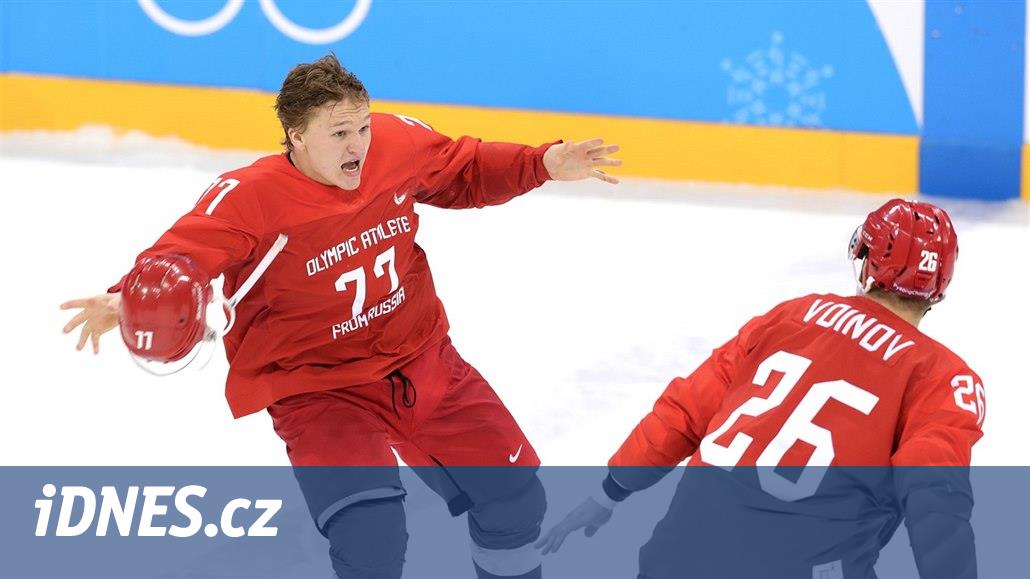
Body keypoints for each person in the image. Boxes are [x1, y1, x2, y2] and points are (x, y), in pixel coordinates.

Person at [60, 54, 621, 579]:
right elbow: (179, 257)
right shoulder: (249, 198)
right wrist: (127, 298)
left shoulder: (397, 146)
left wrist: (541, 162)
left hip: (419, 358)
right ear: (297, 136)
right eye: (339, 134)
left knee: (516, 500)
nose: (359, 146)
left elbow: (464, 168)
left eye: (362, 128)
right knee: (371, 539)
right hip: (318, 388)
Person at [536, 199, 984, 579]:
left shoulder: (793, 315)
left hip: (677, 554)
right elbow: (936, 503)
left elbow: (686, 409)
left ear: (869, 261)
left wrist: (611, 491)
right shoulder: (945, 379)